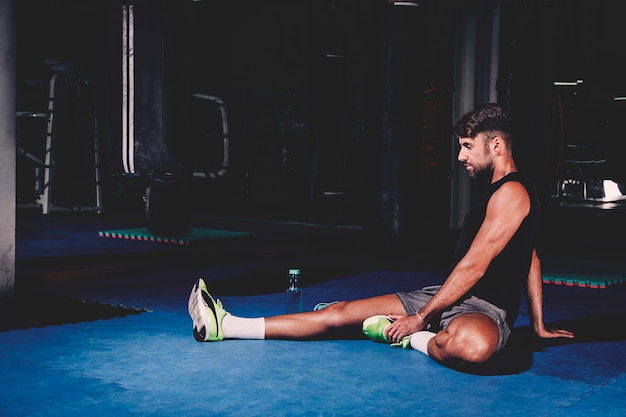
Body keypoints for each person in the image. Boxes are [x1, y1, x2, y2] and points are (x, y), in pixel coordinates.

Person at [188, 103, 574, 369]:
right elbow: (532, 255)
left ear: (496, 144)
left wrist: (420, 319)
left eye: (467, 147)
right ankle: (229, 324)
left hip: (483, 310)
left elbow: (479, 263)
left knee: (472, 348)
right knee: (338, 313)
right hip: (446, 294)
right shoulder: (506, 189)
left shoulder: (513, 191)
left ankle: (413, 339)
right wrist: (538, 324)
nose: (460, 157)